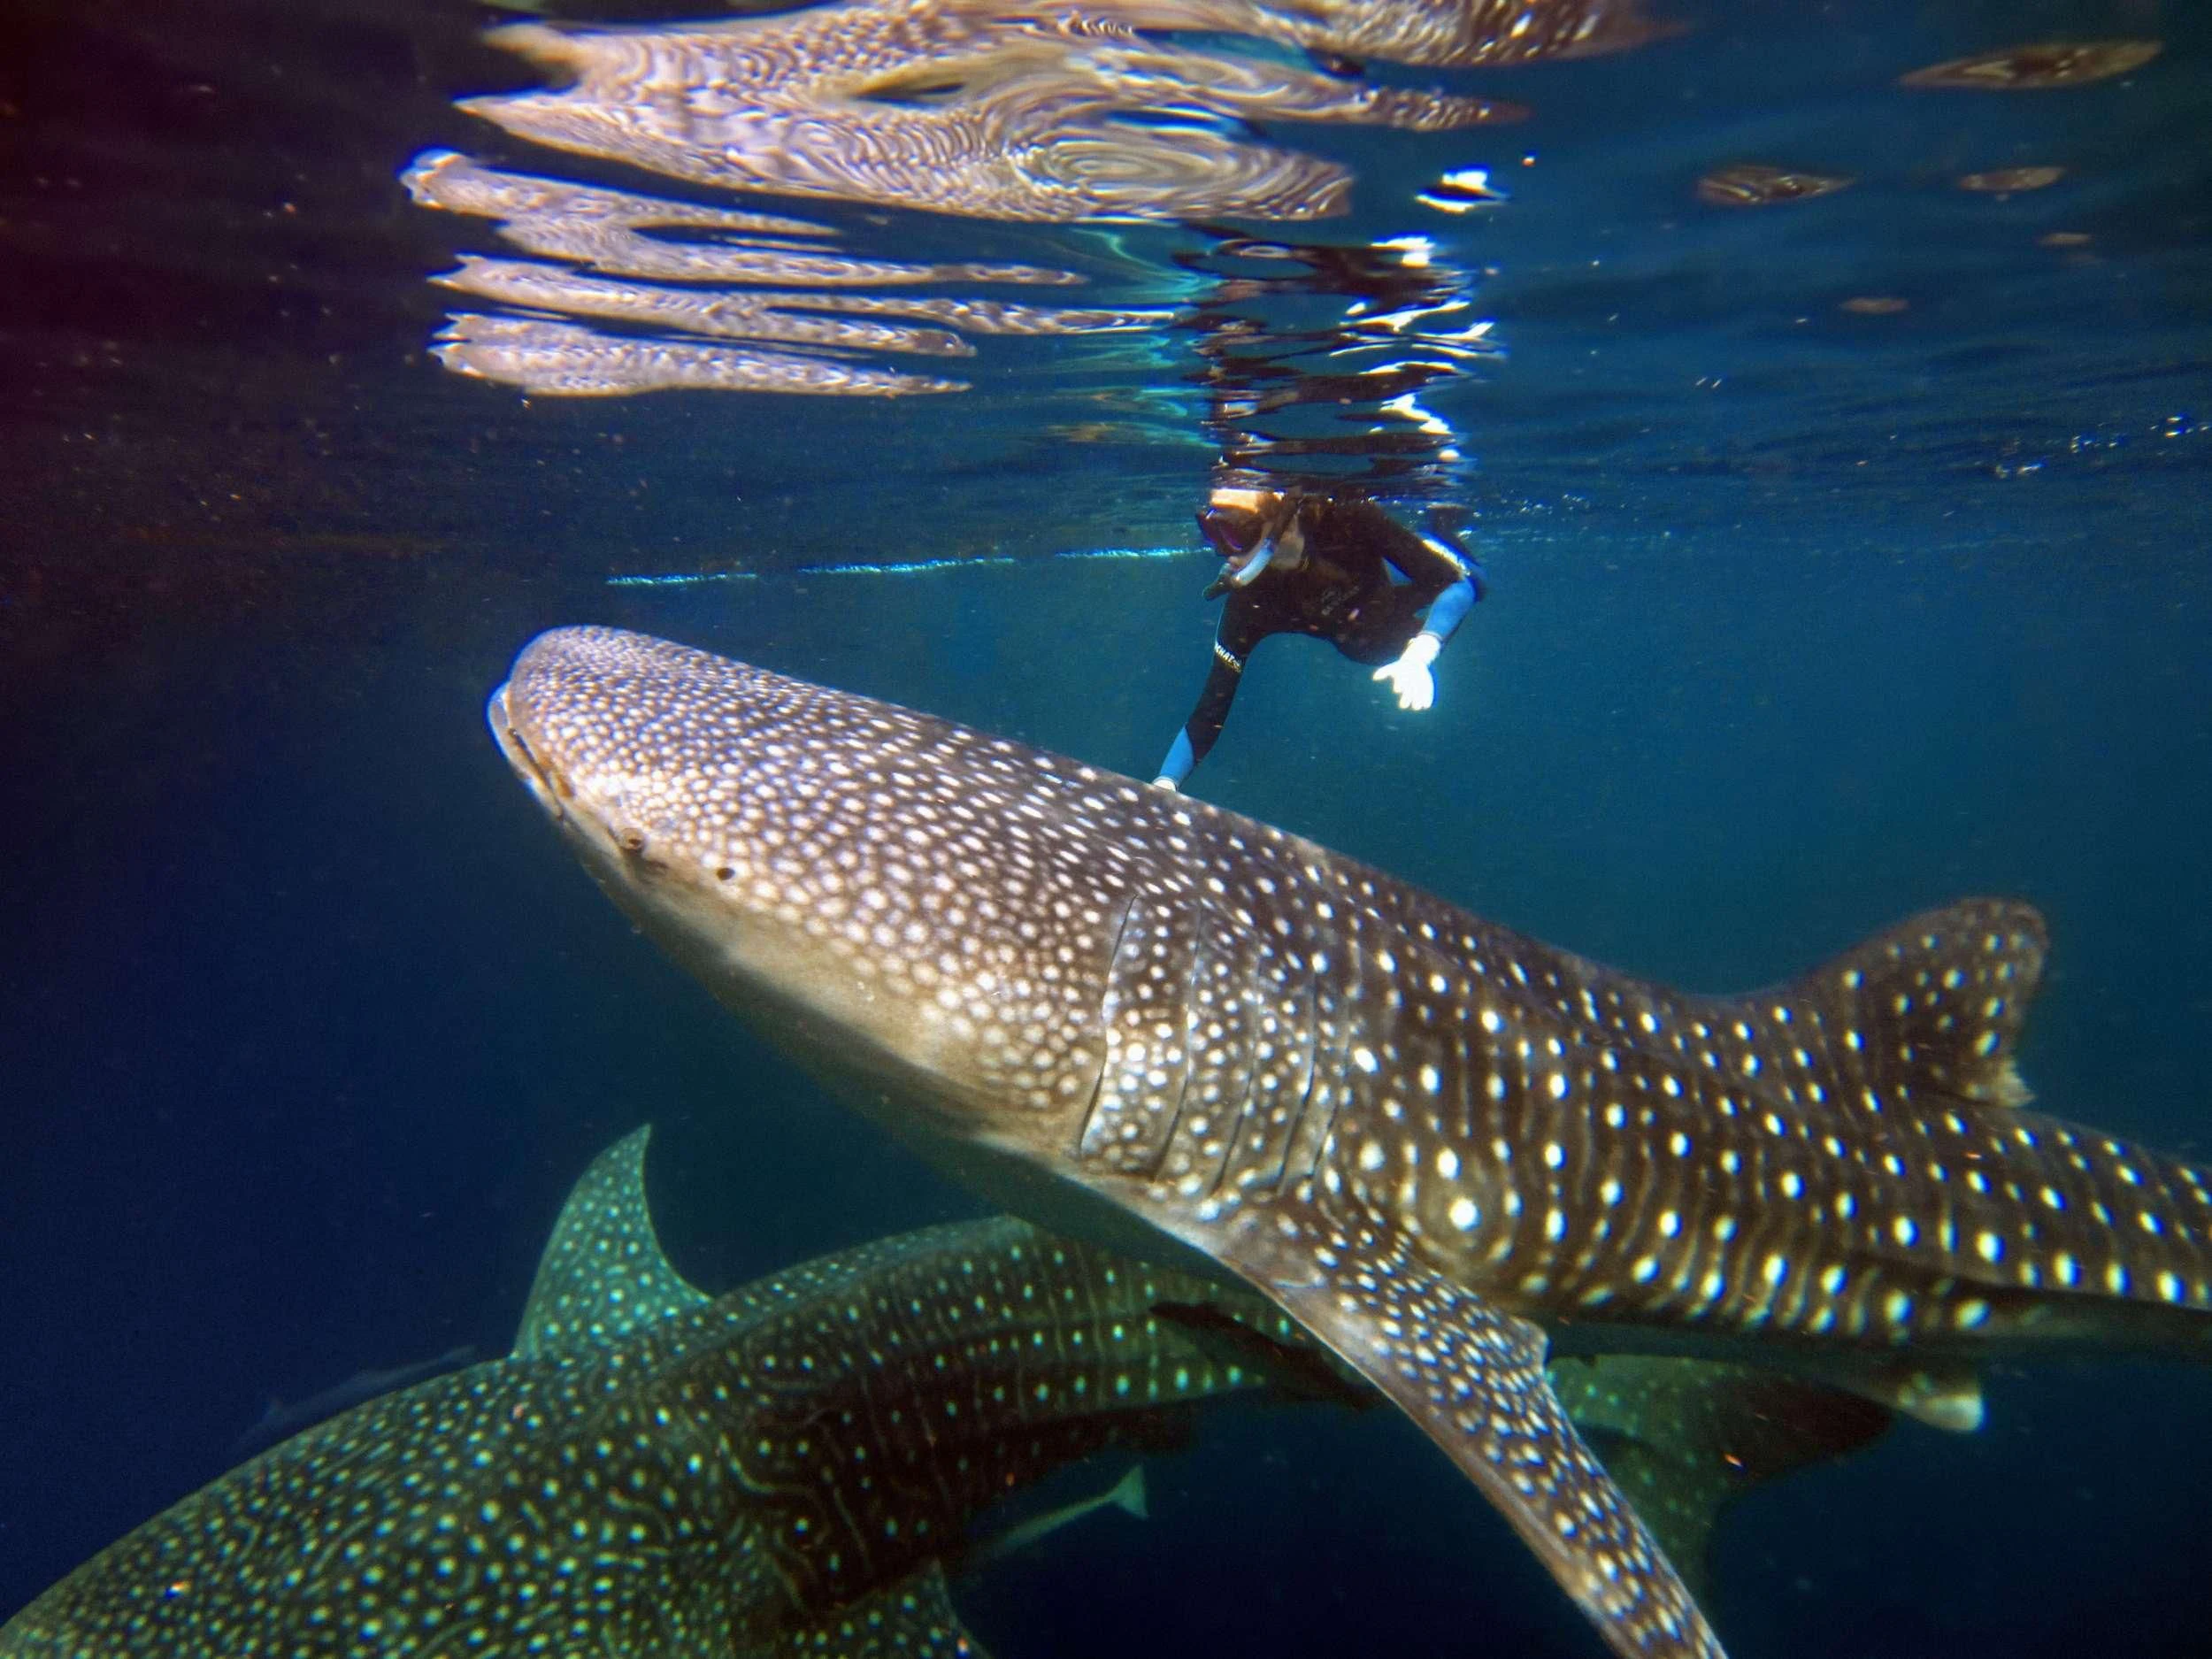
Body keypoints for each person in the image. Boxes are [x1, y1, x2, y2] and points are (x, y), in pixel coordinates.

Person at [1151, 483, 1484, 790]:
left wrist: (1420, 653)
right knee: (1371, 645)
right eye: (1211, 529)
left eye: (1235, 529)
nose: (1224, 550)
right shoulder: (1251, 602)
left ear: (1284, 522)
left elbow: (1458, 586)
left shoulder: (1350, 517)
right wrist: (1165, 785)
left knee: (1475, 580)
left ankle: (1442, 523)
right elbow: (1209, 711)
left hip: (1392, 608)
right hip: (1364, 641)